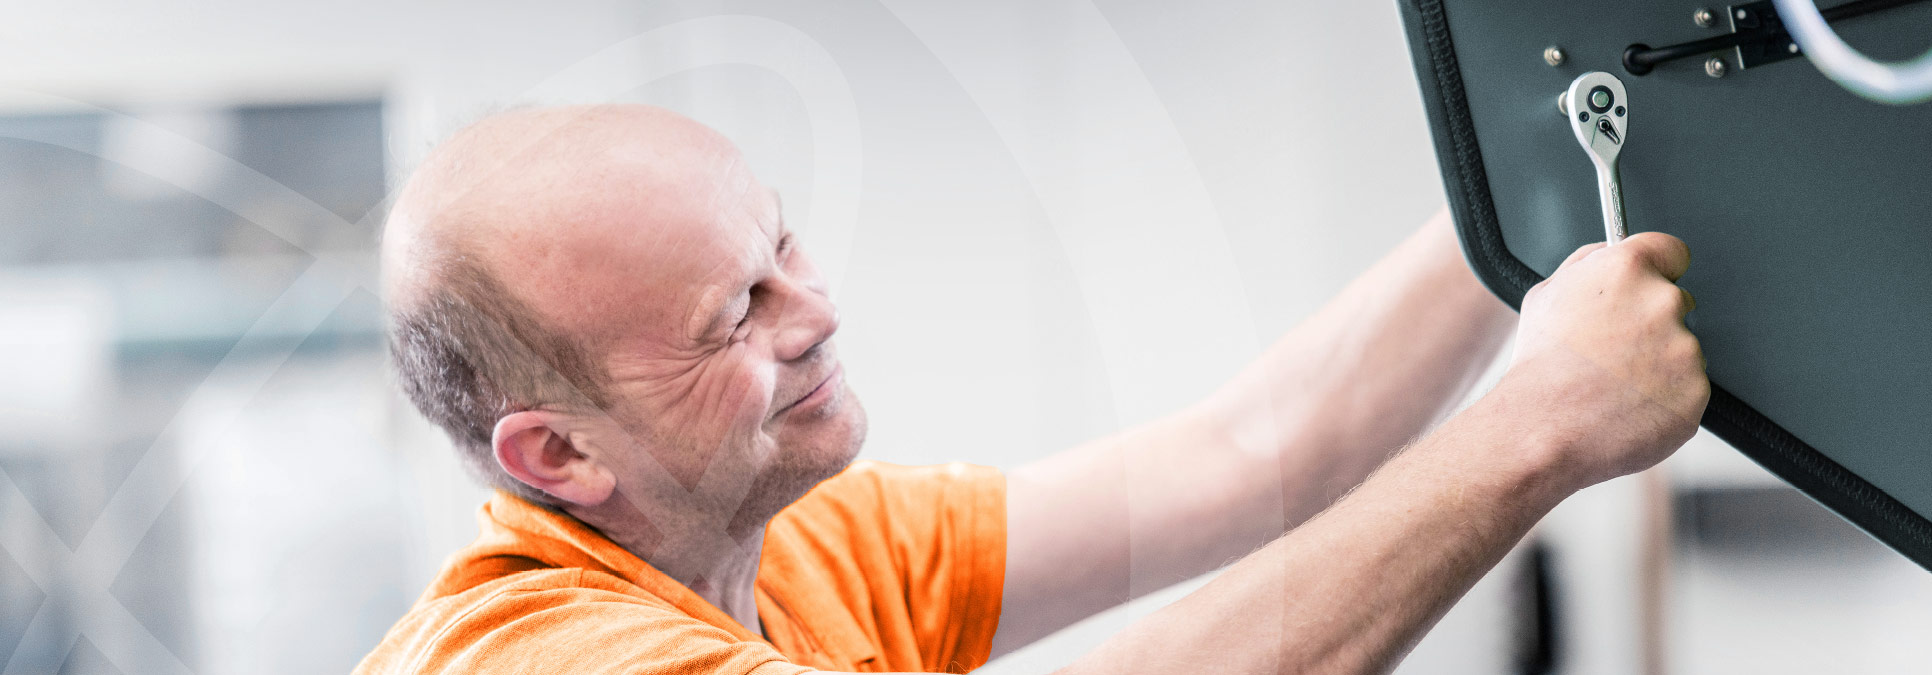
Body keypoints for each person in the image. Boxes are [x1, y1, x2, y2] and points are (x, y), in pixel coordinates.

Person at [357, 104, 1706, 674]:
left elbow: (1256, 456)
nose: (816, 315)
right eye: (736, 315)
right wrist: (1539, 425)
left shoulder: (801, 544)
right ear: (558, 456)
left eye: (782, 248)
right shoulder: (531, 657)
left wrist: (1535, 175)